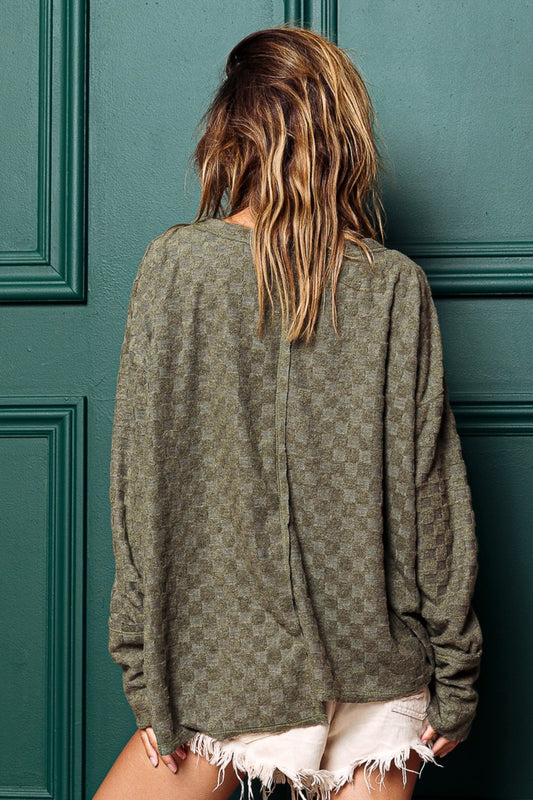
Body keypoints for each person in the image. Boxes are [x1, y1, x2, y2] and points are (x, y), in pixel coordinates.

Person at [94, 26, 482, 800]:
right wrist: (455, 672)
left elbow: (138, 485)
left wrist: (144, 668)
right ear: (343, 136)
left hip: (220, 663)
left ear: (228, 135)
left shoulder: (175, 268)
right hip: (374, 663)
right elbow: (431, 498)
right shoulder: (392, 284)